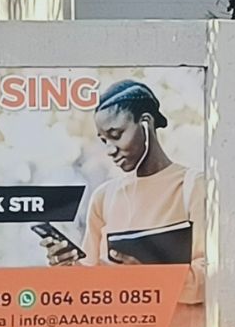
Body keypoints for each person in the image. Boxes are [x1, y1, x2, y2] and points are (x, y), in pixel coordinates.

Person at [41, 79, 204, 304]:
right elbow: (90, 287)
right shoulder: (104, 197)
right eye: (104, 140)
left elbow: (212, 278)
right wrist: (67, 266)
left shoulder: (193, 186)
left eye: (116, 135)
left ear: (146, 123)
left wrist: (146, 279)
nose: (110, 150)